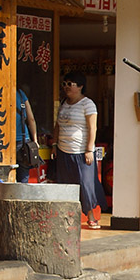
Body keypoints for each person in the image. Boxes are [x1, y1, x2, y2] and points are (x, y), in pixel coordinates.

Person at [52, 71, 107, 229]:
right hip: (64, 150)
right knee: (66, 184)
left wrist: (89, 149)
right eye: (65, 84)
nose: (67, 87)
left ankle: (91, 216)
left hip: (81, 152)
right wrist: (55, 145)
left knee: (86, 184)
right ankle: (67, 217)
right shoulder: (63, 103)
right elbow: (57, 125)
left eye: (70, 84)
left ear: (81, 86)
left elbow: (92, 127)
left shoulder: (88, 104)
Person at [16, 88, 37, 184]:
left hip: (4, 141)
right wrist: (35, 140)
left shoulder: (1, 93)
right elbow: (31, 119)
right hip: (23, 140)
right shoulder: (20, 94)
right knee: (23, 176)